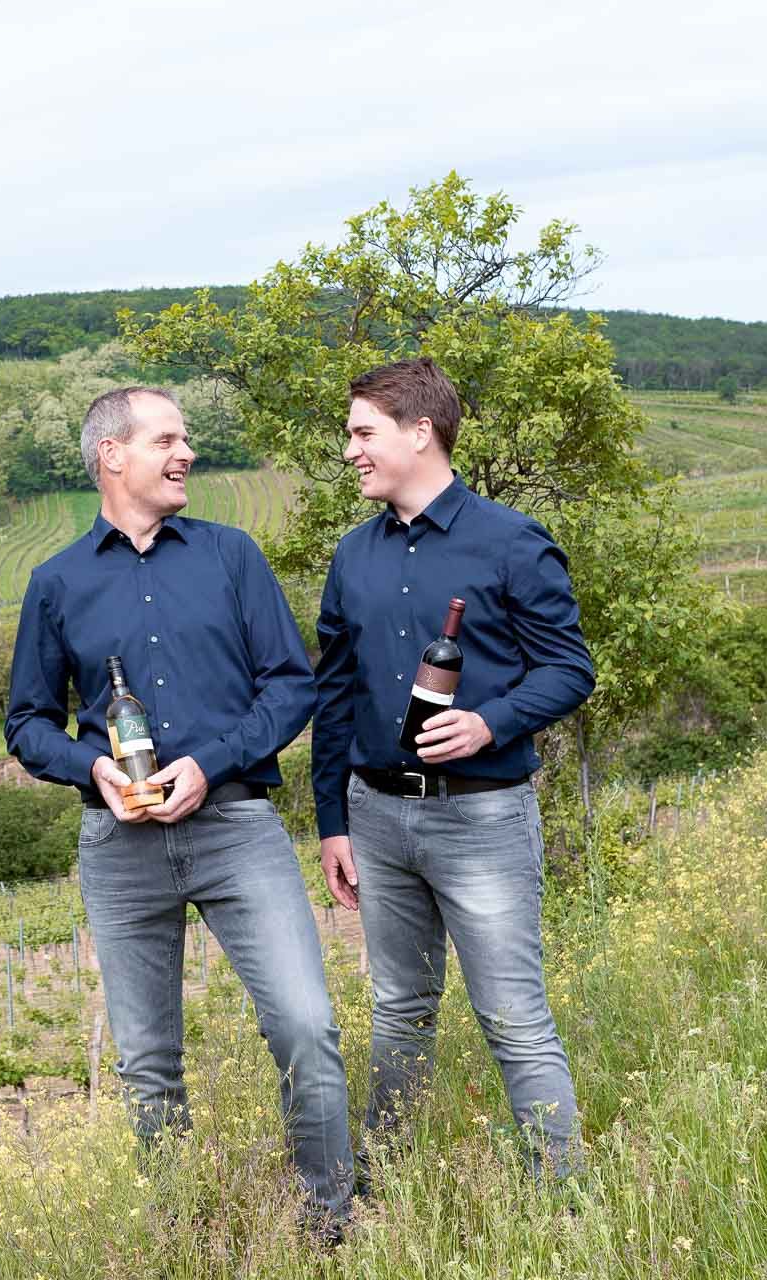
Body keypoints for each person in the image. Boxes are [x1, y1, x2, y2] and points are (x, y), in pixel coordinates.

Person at [6, 385, 353, 1232]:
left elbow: (290, 685)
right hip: (119, 847)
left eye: (186, 438)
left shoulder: (232, 556)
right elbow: (26, 723)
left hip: (236, 827)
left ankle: (329, 1225)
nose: (187, 452)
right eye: (169, 438)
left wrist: (211, 763)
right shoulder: (55, 583)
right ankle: (184, 1233)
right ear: (112, 456)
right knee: (147, 1064)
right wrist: (94, 770)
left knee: (306, 1027)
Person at [312, 357, 594, 1184]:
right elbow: (335, 698)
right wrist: (331, 820)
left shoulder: (511, 541)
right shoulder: (352, 555)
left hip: (483, 817)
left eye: (363, 433)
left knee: (513, 1018)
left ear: (420, 432)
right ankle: (386, 1186)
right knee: (398, 1014)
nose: (351, 452)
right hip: (375, 818)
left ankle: (564, 1202)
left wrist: (487, 722)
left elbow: (570, 669)